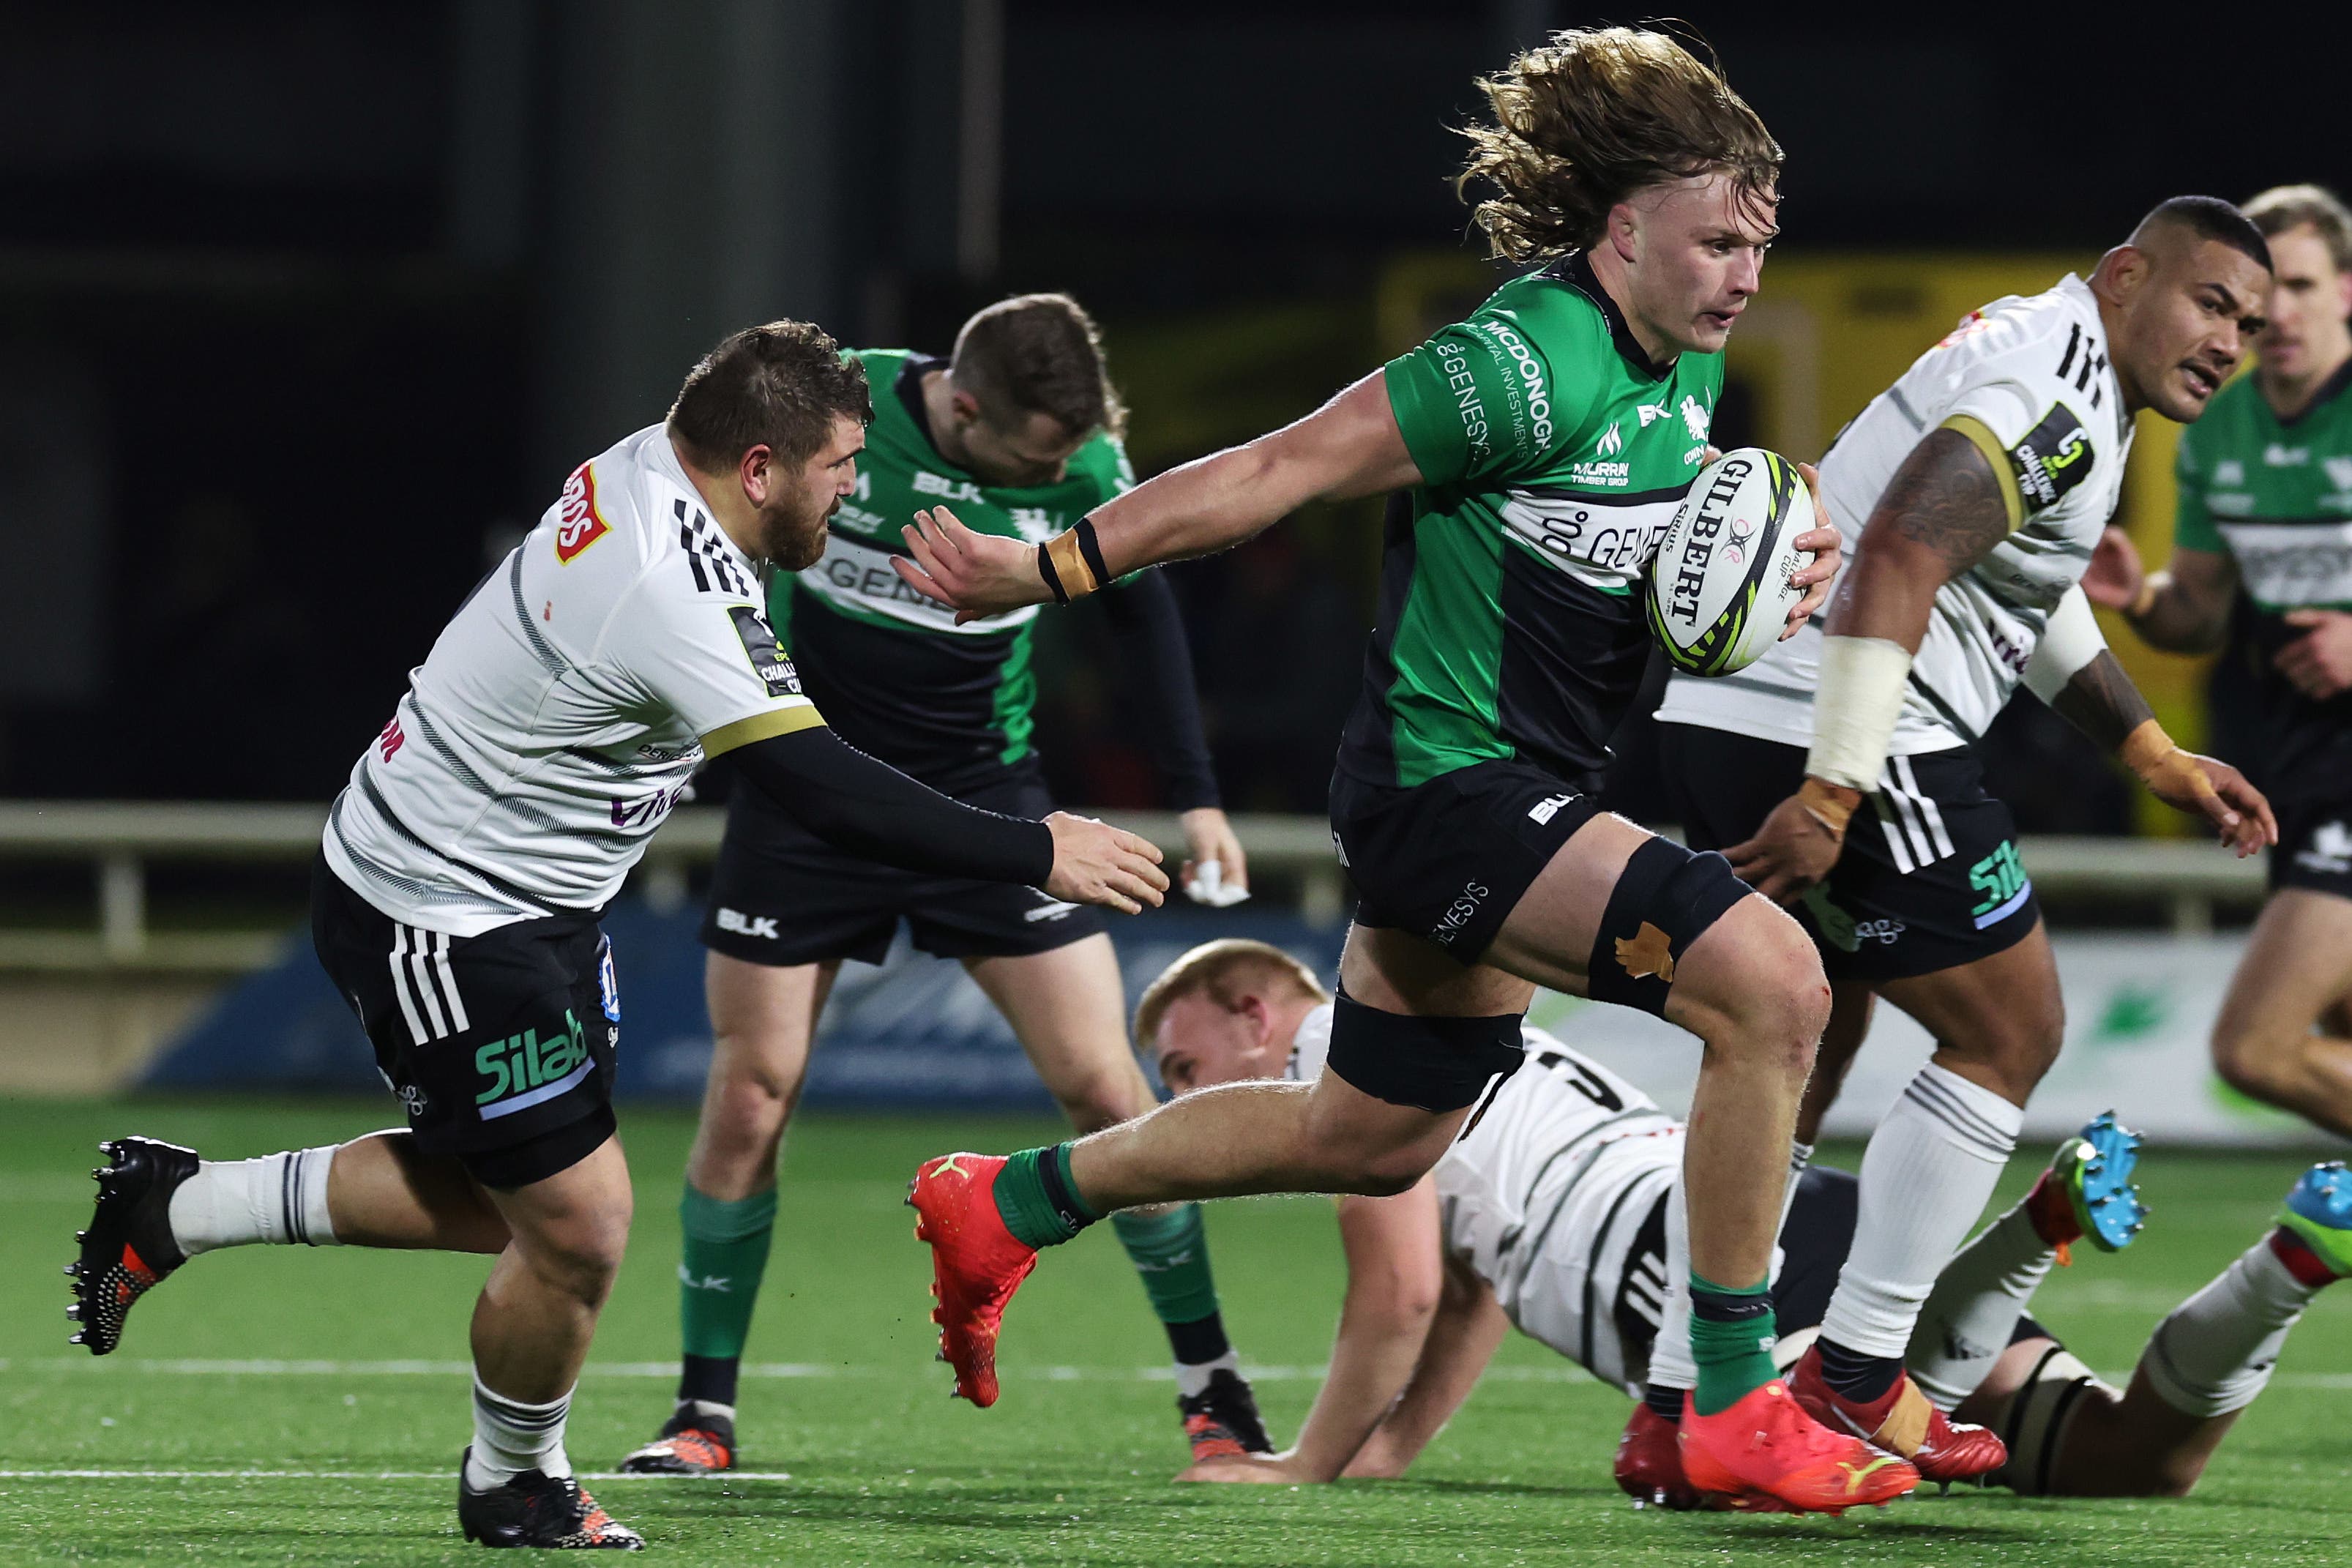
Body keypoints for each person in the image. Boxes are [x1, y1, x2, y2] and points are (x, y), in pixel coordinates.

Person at [889, 29, 1914, 1515]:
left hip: (1497, 793)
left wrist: (1769, 555)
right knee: (1776, 991)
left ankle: (1004, 1200)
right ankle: (1731, 1400)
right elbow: (1274, 471)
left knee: (1367, 1140)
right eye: (1714, 243)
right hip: (1457, 793)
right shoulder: (1516, 363)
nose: (1743, 275)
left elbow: (1618, 574)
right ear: (1620, 230)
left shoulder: (1673, 372)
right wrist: (1038, 566)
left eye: (1758, 243)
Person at [65, 321, 1166, 1550]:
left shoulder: (661, 464)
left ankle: (175, 1207)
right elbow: (820, 786)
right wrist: (1038, 848)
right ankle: (513, 1482)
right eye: (842, 465)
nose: (856, 489)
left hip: (538, 899)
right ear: (759, 467)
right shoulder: (665, 580)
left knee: (516, 1204)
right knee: (578, 1222)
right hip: (438, 907)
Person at [1647, 197, 2279, 1481]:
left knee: (1804, 1044)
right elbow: (1897, 555)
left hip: (1731, 707)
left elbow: (2005, 581)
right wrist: (1832, 791)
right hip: (1834, 728)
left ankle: (1679, 1404)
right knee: (2009, 1028)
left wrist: (2148, 751)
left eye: (2252, 327)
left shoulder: (2061, 367)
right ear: (2125, 274)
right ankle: (1857, 1372)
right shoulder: (2052, 395)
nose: (2229, 342)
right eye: (2212, 303)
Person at [620, 295, 1263, 1479]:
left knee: (1105, 1090)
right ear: (963, 407)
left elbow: (1143, 604)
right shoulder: (841, 411)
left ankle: (1212, 1386)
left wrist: (1196, 791)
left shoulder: (1086, 462)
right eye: (1040, 456)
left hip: (985, 794)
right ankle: (700, 1410)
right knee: (750, 1096)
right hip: (810, 786)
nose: (1066, 474)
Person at [1139, 938, 2350, 1509]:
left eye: (1184, 1069)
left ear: (1254, 1009)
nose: (1186, 1104)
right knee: (2133, 1462)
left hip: (1675, 1268)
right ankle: (2284, 1264)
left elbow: (1397, 1289)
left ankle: (2027, 1235)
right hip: (1777, 1205)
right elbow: (1464, 1287)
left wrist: (1303, 1463)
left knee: (1774, 1489)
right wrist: (1387, 1450)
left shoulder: (1345, 1060)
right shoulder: (1458, 1037)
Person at [2086, 185, 2352, 1140]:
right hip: (2302, 763)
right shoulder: (2221, 432)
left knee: (2258, 1048)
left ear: (2348, 292)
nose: (2276, 315)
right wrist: (2144, 599)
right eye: (2257, 295)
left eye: (2303, 287)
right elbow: (2199, 615)